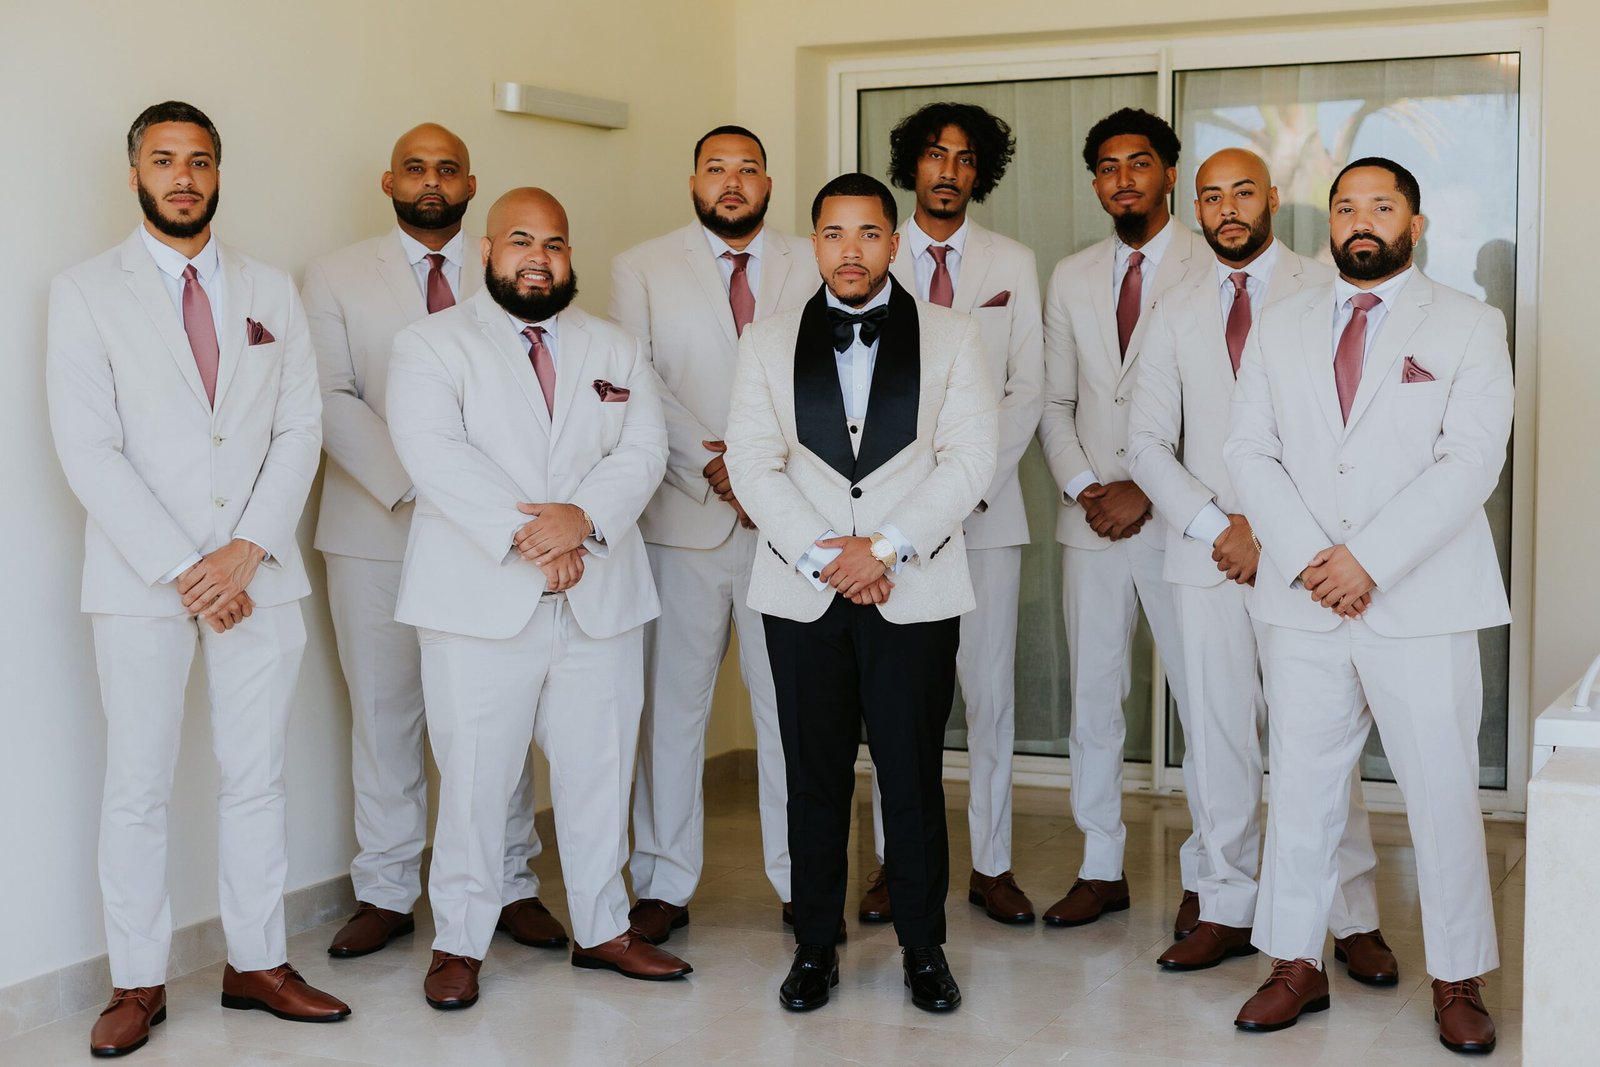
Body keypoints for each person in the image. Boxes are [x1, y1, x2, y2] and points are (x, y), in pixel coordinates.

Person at [47, 100, 348, 1058]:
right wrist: (189, 568)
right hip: (143, 582)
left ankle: (258, 962)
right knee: (136, 785)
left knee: (257, 778)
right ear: (134, 172)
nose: (184, 176)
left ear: (219, 172)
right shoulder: (84, 293)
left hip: (259, 574)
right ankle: (137, 980)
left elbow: (300, 428)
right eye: (164, 159)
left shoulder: (270, 289)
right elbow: (89, 450)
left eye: (200, 160)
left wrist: (246, 548)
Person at [1224, 158, 1511, 1053]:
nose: (1361, 220)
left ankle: (1457, 976)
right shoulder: (1281, 324)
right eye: (1346, 206)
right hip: (1306, 598)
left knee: (1441, 791)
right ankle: (1294, 963)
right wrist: (1316, 561)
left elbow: (1472, 462)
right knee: (1302, 788)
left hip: (1421, 600)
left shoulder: (1469, 323)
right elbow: (1249, 451)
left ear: (1414, 226)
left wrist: (1370, 562)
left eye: (1381, 207)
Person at [386, 187, 686, 1010]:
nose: (538, 258)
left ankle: (604, 928)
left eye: (553, 244)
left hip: (599, 594)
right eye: (520, 241)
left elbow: (643, 449)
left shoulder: (615, 345)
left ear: (569, 255)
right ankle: (459, 941)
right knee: (475, 782)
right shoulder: (430, 343)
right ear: (487, 251)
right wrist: (535, 537)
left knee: (599, 775)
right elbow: (434, 453)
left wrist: (580, 520)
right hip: (478, 601)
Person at [725, 173, 997, 1013]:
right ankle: (814, 944)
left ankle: (923, 946)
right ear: (814, 243)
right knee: (812, 775)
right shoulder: (766, 341)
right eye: (835, 234)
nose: (852, 250)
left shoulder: (953, 336)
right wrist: (827, 556)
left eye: (869, 233)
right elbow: (752, 464)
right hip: (802, 594)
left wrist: (880, 549)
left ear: (894, 242)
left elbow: (968, 462)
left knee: (912, 774)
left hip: (911, 589)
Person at [1126, 148, 1393, 981]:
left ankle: (1351, 914)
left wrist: (1270, 535)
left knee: (1321, 741)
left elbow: (1346, 438)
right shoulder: (1172, 307)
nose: (1229, 208)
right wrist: (1219, 527)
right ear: (1196, 207)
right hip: (1205, 557)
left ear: (1273, 198)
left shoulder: (1327, 289)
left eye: (1243, 192)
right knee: (1216, 740)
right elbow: (1145, 442)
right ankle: (1226, 904)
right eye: (1212, 196)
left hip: (1307, 558)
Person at [302, 123, 562, 962]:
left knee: (498, 716)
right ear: (389, 181)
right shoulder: (336, 275)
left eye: (448, 169)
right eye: (415, 168)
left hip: (499, 538)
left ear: (471, 184)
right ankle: (385, 889)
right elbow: (329, 397)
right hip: (375, 526)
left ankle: (512, 879)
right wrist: (429, 482)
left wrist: (482, 505)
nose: (431, 181)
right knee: (385, 715)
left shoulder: (510, 272)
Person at [609, 126, 816, 943]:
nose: (732, 182)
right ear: (693, 181)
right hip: (682, 517)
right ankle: (664, 881)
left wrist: (764, 474)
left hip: (789, 523)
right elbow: (636, 379)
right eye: (716, 169)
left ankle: (804, 878)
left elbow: (829, 374)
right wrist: (716, 464)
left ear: (768, 183)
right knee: (672, 713)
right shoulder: (641, 266)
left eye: (747, 169)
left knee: (793, 713)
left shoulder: (812, 258)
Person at [853, 101, 1042, 927]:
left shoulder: (1013, 262)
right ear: (913, 164)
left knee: (988, 696)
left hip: (987, 517)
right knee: (897, 703)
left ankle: (991, 864)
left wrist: (963, 491)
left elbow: (1027, 390)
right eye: (936, 154)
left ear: (981, 172)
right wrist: (910, 510)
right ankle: (898, 864)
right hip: (891, 526)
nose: (949, 170)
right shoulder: (874, 252)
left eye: (966, 158)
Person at [1036, 108, 1208, 935]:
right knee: (1094, 698)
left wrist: (1148, 489)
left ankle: (1212, 872)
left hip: (1186, 522)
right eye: (1107, 167)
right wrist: (1086, 488)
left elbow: (1227, 406)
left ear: (1170, 173)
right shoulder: (1070, 276)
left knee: (1204, 699)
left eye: (1139, 163)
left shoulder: (1212, 264)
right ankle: (1100, 865)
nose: (1123, 179)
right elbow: (1055, 401)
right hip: (1091, 523)